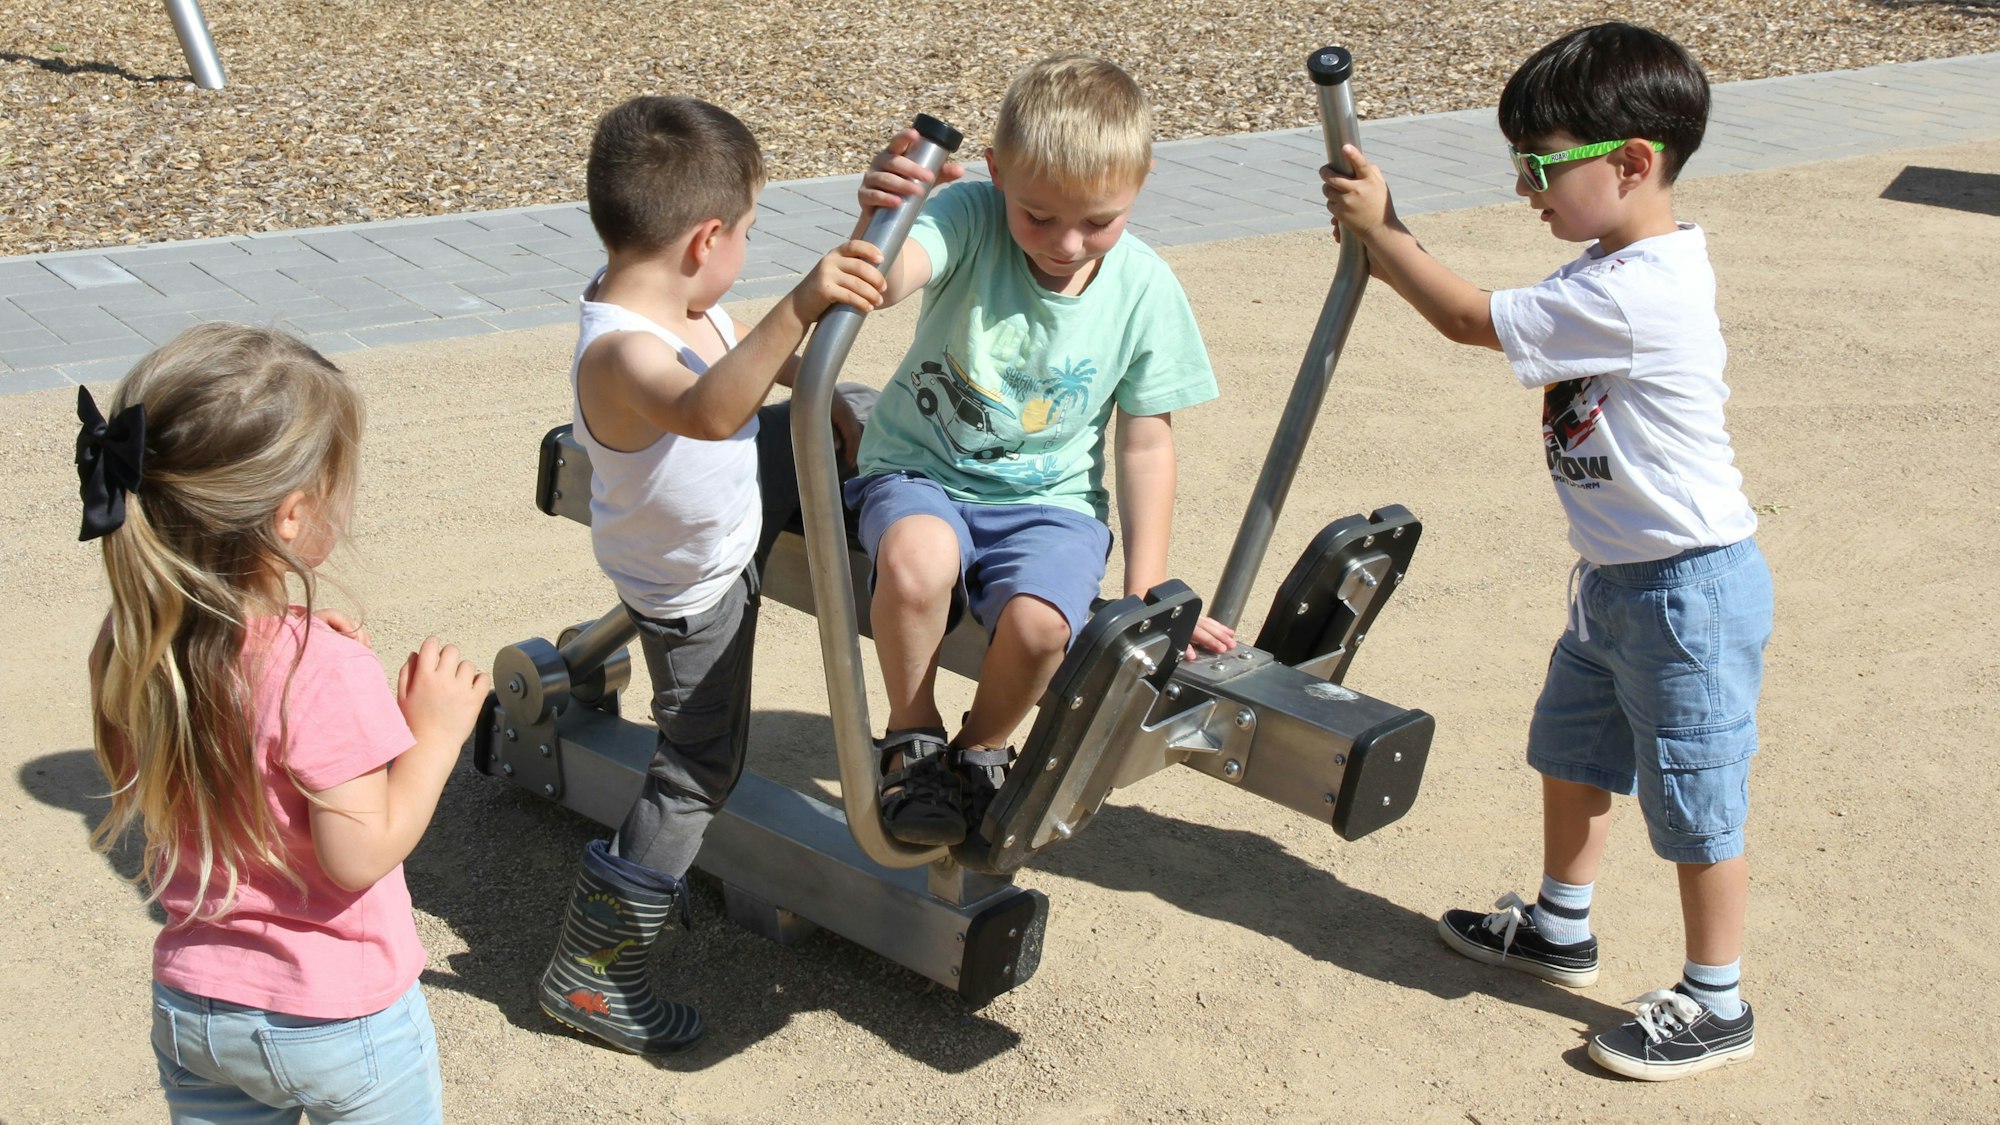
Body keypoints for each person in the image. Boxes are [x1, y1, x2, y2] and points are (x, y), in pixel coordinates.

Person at [1322, 22, 1773, 1081]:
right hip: (1617, 585)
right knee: (1569, 756)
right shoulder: (1606, 266)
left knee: (1693, 794)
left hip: (1684, 590)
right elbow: (1474, 309)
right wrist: (1390, 238)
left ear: (1630, 162)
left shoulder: (1637, 287)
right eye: (1516, 163)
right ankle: (1559, 923)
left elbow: (1468, 321)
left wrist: (1383, 236)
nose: (1525, 185)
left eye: (1540, 163)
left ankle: (1716, 996)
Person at [536, 94, 888, 1055]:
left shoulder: (678, 298)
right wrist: (801, 304)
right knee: (699, 768)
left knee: (850, 413)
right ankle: (594, 971)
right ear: (704, 239)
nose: (749, 249)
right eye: (748, 231)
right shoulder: (621, 352)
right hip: (692, 592)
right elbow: (703, 405)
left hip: (724, 499)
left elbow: (735, 366)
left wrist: (810, 381)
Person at [81, 323, 491, 1123]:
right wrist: (432, 738)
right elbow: (355, 854)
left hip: (193, 1006)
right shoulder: (321, 668)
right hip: (335, 1020)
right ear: (293, 515)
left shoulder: (132, 639)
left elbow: (206, 735)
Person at [849, 53, 1236, 848]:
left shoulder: (1145, 288)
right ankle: (911, 737)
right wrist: (884, 214)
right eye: (1037, 215)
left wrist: (1148, 579)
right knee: (919, 562)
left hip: (1050, 500)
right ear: (996, 173)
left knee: (1039, 630)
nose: (1066, 243)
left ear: (1141, 182)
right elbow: (880, 283)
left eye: (1098, 220)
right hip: (923, 466)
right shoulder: (969, 216)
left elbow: (1145, 438)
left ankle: (980, 747)